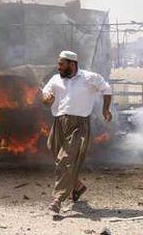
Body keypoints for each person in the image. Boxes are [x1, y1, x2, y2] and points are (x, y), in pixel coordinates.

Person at [42, 51, 112, 213]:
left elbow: (106, 89)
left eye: (61, 64)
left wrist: (106, 109)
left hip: (79, 124)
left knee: (65, 160)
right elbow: (45, 95)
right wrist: (47, 99)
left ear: (72, 64)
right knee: (55, 152)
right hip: (59, 122)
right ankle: (77, 186)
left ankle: (57, 199)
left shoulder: (89, 77)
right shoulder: (55, 79)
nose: (58, 67)